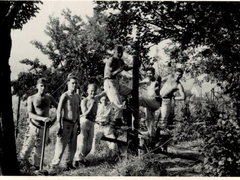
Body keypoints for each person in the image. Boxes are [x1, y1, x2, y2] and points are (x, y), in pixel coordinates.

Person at [20, 78, 58, 170]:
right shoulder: (31, 98)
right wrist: (42, 118)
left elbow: (59, 108)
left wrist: (53, 121)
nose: (43, 88)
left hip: (44, 129)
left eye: (45, 86)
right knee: (27, 148)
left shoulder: (49, 98)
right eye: (41, 86)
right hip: (33, 127)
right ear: (37, 86)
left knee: (39, 151)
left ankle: (37, 169)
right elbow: (30, 114)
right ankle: (21, 167)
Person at [50, 74, 81, 171]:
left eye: (76, 83)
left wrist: (79, 124)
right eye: (72, 83)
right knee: (61, 145)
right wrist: (59, 125)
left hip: (75, 124)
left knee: (73, 146)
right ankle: (54, 165)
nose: (74, 85)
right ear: (68, 83)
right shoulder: (65, 95)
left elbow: (77, 111)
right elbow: (59, 111)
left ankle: (69, 164)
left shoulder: (77, 96)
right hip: (66, 124)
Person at [74, 83, 105, 167]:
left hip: (92, 122)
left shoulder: (96, 98)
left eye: (94, 91)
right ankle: (78, 160)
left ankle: (80, 158)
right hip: (84, 121)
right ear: (87, 91)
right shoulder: (85, 101)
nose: (93, 93)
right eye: (91, 91)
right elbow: (85, 114)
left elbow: (105, 92)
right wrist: (92, 105)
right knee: (82, 141)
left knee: (89, 145)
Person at [104, 44, 132, 127]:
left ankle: (127, 114)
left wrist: (135, 65)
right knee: (118, 103)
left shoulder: (120, 60)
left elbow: (126, 68)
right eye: (118, 53)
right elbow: (109, 75)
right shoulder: (110, 60)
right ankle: (116, 121)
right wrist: (120, 69)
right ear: (114, 52)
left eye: (121, 53)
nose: (120, 54)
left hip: (116, 82)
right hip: (109, 82)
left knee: (130, 91)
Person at [159, 68, 185, 132]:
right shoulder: (170, 77)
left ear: (181, 76)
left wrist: (174, 98)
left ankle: (161, 133)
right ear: (174, 73)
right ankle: (152, 131)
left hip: (166, 101)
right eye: (177, 74)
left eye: (180, 75)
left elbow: (183, 97)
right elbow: (160, 80)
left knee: (164, 117)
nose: (178, 76)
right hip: (157, 98)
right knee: (154, 114)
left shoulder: (179, 85)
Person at [139, 67, 161, 138]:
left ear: (154, 74)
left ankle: (151, 134)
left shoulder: (156, 81)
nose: (149, 75)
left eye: (150, 73)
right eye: (147, 73)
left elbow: (157, 92)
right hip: (148, 102)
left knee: (139, 100)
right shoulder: (146, 80)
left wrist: (157, 91)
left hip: (154, 102)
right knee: (149, 118)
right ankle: (151, 134)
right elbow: (138, 85)